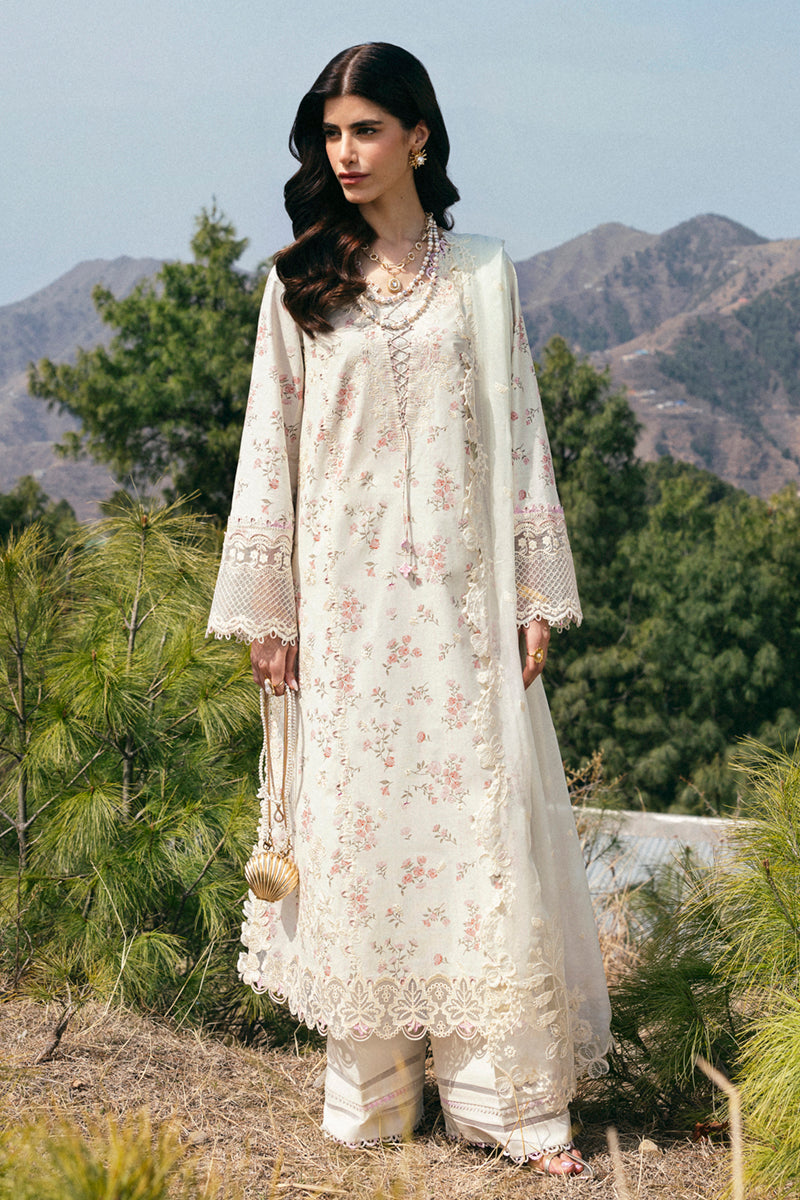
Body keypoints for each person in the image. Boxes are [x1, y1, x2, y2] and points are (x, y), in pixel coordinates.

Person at [207, 42, 611, 1178]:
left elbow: (520, 429)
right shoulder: (297, 282)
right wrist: (272, 612)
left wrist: (533, 587)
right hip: (344, 608)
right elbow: (269, 449)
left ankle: (505, 1106)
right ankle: (376, 1095)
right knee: (361, 828)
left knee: (475, 827)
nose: (345, 153)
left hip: (460, 602)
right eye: (331, 133)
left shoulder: (480, 274)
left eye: (367, 130)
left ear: (418, 136)